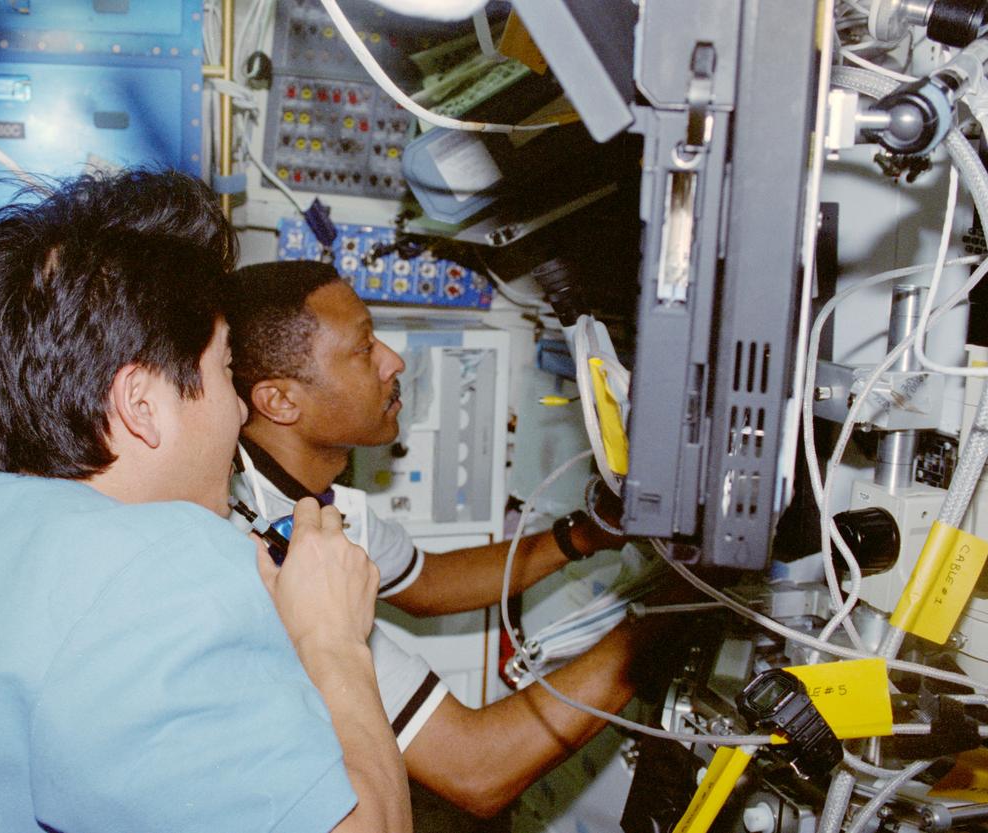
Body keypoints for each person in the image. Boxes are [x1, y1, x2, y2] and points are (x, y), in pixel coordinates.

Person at [0, 171, 411, 833]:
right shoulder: (162, 572)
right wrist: (333, 639)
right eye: (226, 370)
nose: (237, 409)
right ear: (142, 404)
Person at [223, 260, 680, 819]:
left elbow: (429, 582)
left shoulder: (306, 502)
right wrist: (669, 621)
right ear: (280, 401)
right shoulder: (270, 559)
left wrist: (584, 535)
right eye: (365, 348)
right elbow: (477, 767)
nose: (394, 361)